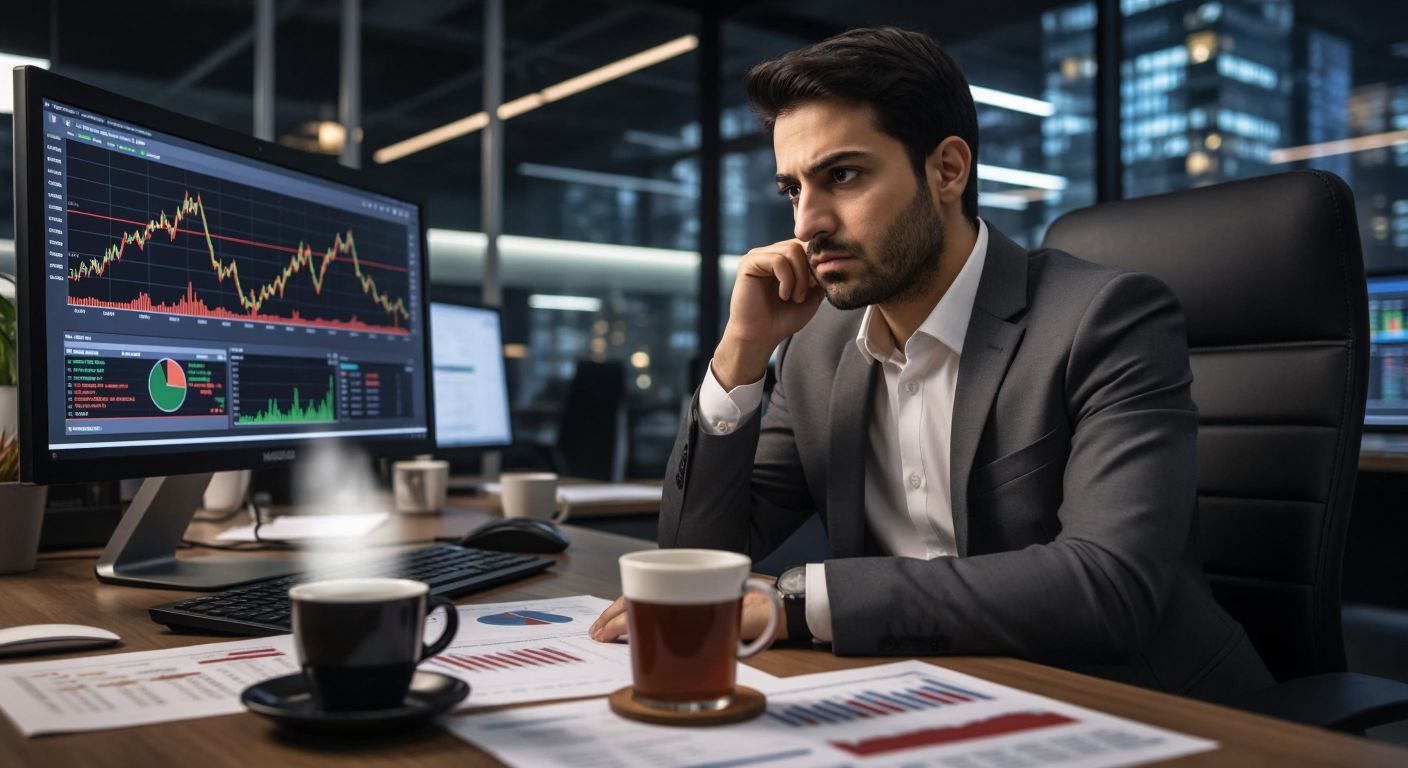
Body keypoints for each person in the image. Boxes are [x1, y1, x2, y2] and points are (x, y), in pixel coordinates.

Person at [590, 26, 1272, 703]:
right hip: (923, 693)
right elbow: (695, 562)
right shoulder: (816, 349)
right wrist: (740, 353)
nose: (806, 225)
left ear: (947, 170)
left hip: (1145, 706)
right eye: (792, 190)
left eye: (842, 176)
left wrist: (799, 600)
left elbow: (1108, 587)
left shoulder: (1106, 318)